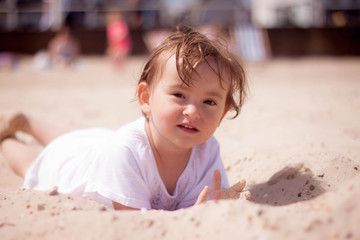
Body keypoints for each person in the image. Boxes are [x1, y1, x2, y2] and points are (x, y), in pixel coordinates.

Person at [0, 26, 249, 211]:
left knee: (74, 140)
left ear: (222, 115)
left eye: (209, 102)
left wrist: (209, 207)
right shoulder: (125, 151)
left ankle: (27, 123)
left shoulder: (208, 151)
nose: (193, 111)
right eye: (179, 94)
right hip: (76, 166)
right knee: (34, 161)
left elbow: (195, 206)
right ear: (146, 98)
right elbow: (136, 219)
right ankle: (8, 137)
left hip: (100, 144)